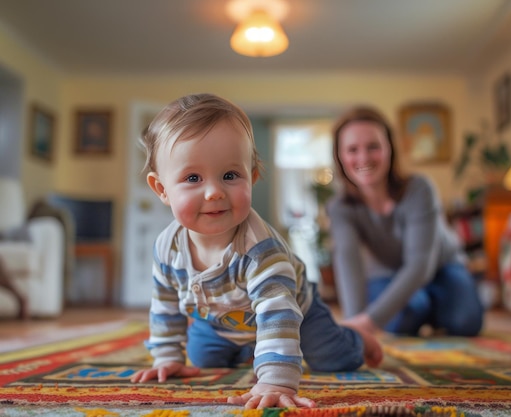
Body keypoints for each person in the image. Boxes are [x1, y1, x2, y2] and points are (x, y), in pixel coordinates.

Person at [129, 93, 382, 410]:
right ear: (162, 189)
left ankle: (357, 339)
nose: (213, 192)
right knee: (204, 358)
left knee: (331, 358)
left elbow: (278, 312)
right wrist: (166, 357)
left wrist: (275, 379)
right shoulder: (167, 248)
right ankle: (253, 349)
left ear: (253, 177)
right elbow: (165, 303)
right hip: (219, 321)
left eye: (230, 175)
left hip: (295, 313)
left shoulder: (260, 248)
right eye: (192, 178)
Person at [327, 105, 484, 339]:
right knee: (402, 321)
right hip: (389, 273)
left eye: (373, 147)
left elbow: (420, 265)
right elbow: (348, 264)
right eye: (352, 149)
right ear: (339, 156)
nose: (363, 157)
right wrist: (353, 327)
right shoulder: (340, 207)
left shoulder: (420, 189)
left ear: (390, 148)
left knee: (465, 322)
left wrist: (369, 322)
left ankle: (434, 307)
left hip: (443, 267)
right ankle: (425, 307)